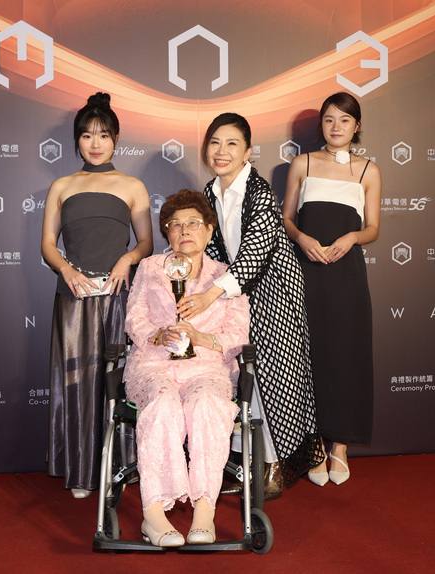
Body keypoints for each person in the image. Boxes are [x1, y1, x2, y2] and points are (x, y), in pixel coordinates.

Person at [176, 113, 325, 496]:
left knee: (278, 378)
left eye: (231, 144)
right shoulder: (209, 193)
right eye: (214, 143)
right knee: (238, 374)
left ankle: (278, 463)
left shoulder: (259, 193)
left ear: (247, 152)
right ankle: (244, 462)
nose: (221, 152)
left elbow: (257, 252)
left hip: (274, 293)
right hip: (234, 296)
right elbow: (208, 248)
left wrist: (209, 295)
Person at [41, 92, 153, 498]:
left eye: (103, 135)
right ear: (77, 141)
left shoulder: (132, 185)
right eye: (87, 136)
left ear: (116, 139)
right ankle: (82, 471)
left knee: (119, 381)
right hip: (73, 297)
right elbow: (48, 246)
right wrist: (67, 270)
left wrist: (127, 260)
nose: (95, 143)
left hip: (119, 296)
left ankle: (123, 468)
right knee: (76, 382)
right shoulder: (61, 186)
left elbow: (146, 243)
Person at [124, 190, 250, 547]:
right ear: (166, 232)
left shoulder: (225, 277)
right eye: (175, 224)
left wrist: (200, 336)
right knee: (163, 405)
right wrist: (157, 334)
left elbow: (237, 333)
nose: (184, 230)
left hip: (206, 368)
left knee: (207, 405)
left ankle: (204, 511)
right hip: (155, 365)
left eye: (193, 223)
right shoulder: (150, 268)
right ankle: (154, 515)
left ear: (210, 231)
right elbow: (135, 320)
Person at [282, 92, 381, 486]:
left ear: (357, 126)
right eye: (328, 120)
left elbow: (374, 227)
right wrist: (303, 239)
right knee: (310, 355)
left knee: (346, 354)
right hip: (305, 270)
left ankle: (340, 446)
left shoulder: (368, 170)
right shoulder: (302, 164)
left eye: (344, 120)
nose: (336, 126)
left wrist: (354, 237)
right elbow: (286, 218)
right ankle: (315, 446)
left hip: (347, 274)